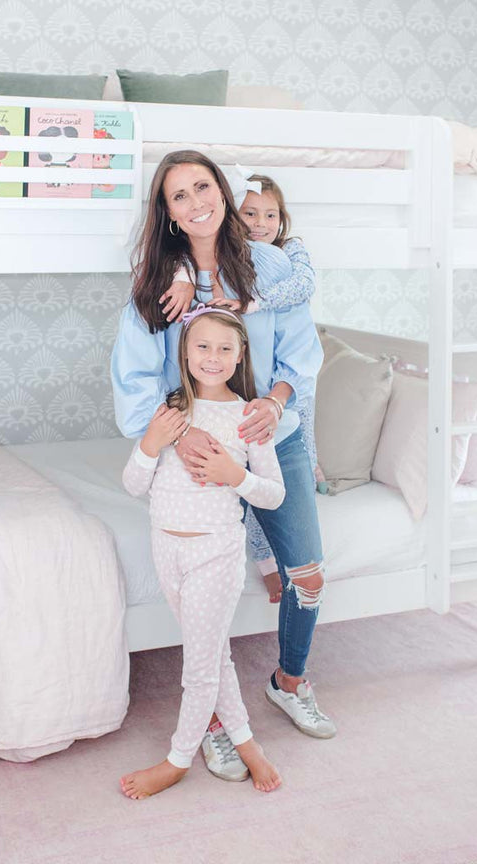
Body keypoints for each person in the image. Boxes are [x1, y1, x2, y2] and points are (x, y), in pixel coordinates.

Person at [112, 149, 336, 785]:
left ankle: (289, 681)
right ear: (169, 212)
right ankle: (213, 723)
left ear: (222, 192)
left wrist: (273, 401)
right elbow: (134, 384)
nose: (195, 201)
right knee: (203, 595)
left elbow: (302, 355)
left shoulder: (266, 265)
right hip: (194, 442)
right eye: (178, 195)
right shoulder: (160, 281)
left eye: (203, 186)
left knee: (310, 574)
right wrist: (176, 435)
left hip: (268, 432)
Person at [120, 306, 284, 798]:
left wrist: (235, 476)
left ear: (240, 355)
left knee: (199, 665)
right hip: (166, 549)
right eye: (202, 347)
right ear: (185, 353)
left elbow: (273, 494)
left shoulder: (248, 416)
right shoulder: (170, 414)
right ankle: (248, 744)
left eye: (225, 348)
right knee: (215, 658)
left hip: (216, 554)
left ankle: (176, 761)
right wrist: (151, 441)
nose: (213, 357)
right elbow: (133, 484)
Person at [166, 168, 326, 603]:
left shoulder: (285, 257)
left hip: (282, 403)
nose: (259, 223)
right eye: (250, 213)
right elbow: (184, 254)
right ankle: (263, 561)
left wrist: (275, 401)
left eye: (269, 215)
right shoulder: (182, 264)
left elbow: (303, 299)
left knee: (288, 458)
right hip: (231, 413)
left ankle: (312, 480)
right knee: (242, 485)